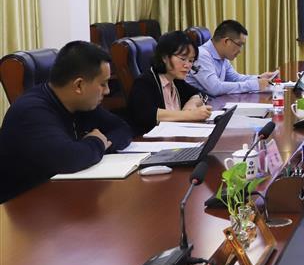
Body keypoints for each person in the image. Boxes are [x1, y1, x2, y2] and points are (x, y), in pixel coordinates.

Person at [0, 41, 132, 203]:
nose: (107, 91)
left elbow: (123, 129)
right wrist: (97, 142)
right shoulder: (31, 111)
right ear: (79, 85)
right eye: (102, 84)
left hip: (61, 197)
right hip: (21, 206)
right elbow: (69, 158)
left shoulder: (82, 104)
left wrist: (101, 144)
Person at [127, 31, 213, 136]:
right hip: (150, 140)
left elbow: (200, 94)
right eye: (183, 59)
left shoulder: (176, 80)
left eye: (191, 60)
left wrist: (192, 103)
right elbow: (148, 115)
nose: (187, 65)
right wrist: (190, 115)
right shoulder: (144, 82)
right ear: (164, 57)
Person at [185, 19, 277, 96]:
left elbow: (235, 78)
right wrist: (254, 85)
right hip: (198, 107)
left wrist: (259, 78)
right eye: (239, 44)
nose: (240, 50)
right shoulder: (201, 55)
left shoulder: (222, 56)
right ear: (227, 42)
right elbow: (215, 88)